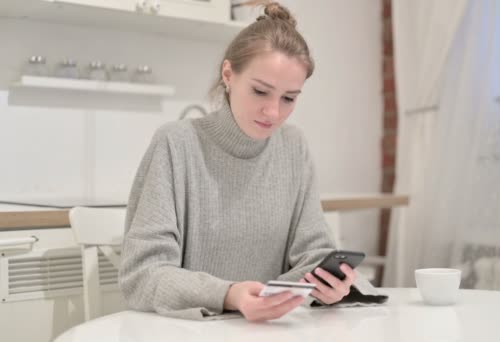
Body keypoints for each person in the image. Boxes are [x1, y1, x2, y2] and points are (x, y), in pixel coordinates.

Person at [119, 2, 377, 322]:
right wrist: (229, 294)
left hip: (270, 331)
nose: (273, 112)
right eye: (260, 91)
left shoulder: (293, 146)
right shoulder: (176, 143)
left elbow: (313, 253)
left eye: (289, 98)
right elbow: (142, 275)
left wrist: (330, 286)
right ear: (228, 74)